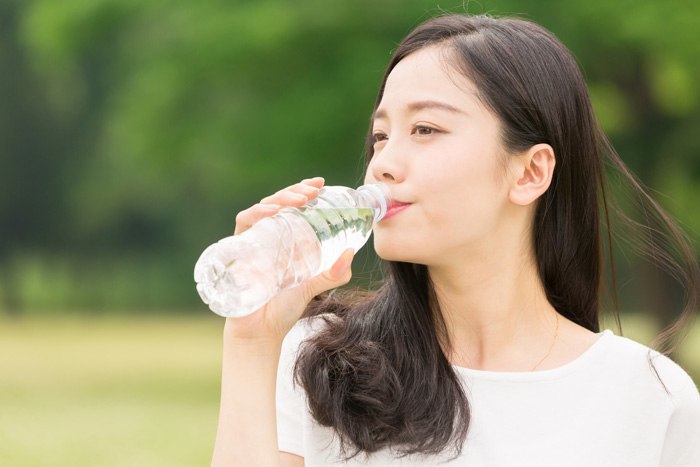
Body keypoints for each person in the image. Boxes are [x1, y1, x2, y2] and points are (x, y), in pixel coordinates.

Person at [210, 14, 700, 467]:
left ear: (530, 172)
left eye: (425, 129)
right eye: (381, 135)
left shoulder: (649, 399)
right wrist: (252, 340)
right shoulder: (323, 365)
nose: (382, 163)